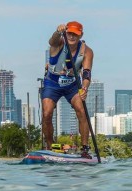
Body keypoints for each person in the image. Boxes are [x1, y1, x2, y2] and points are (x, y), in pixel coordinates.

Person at [42, 21, 94, 159]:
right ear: (66, 33)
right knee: (46, 113)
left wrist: (84, 88)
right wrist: (57, 31)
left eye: (75, 35)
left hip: (72, 85)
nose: (71, 37)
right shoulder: (58, 43)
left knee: (81, 111)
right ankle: (50, 145)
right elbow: (51, 41)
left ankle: (85, 148)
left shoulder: (87, 51)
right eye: (69, 33)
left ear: (80, 35)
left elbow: (87, 74)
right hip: (52, 83)